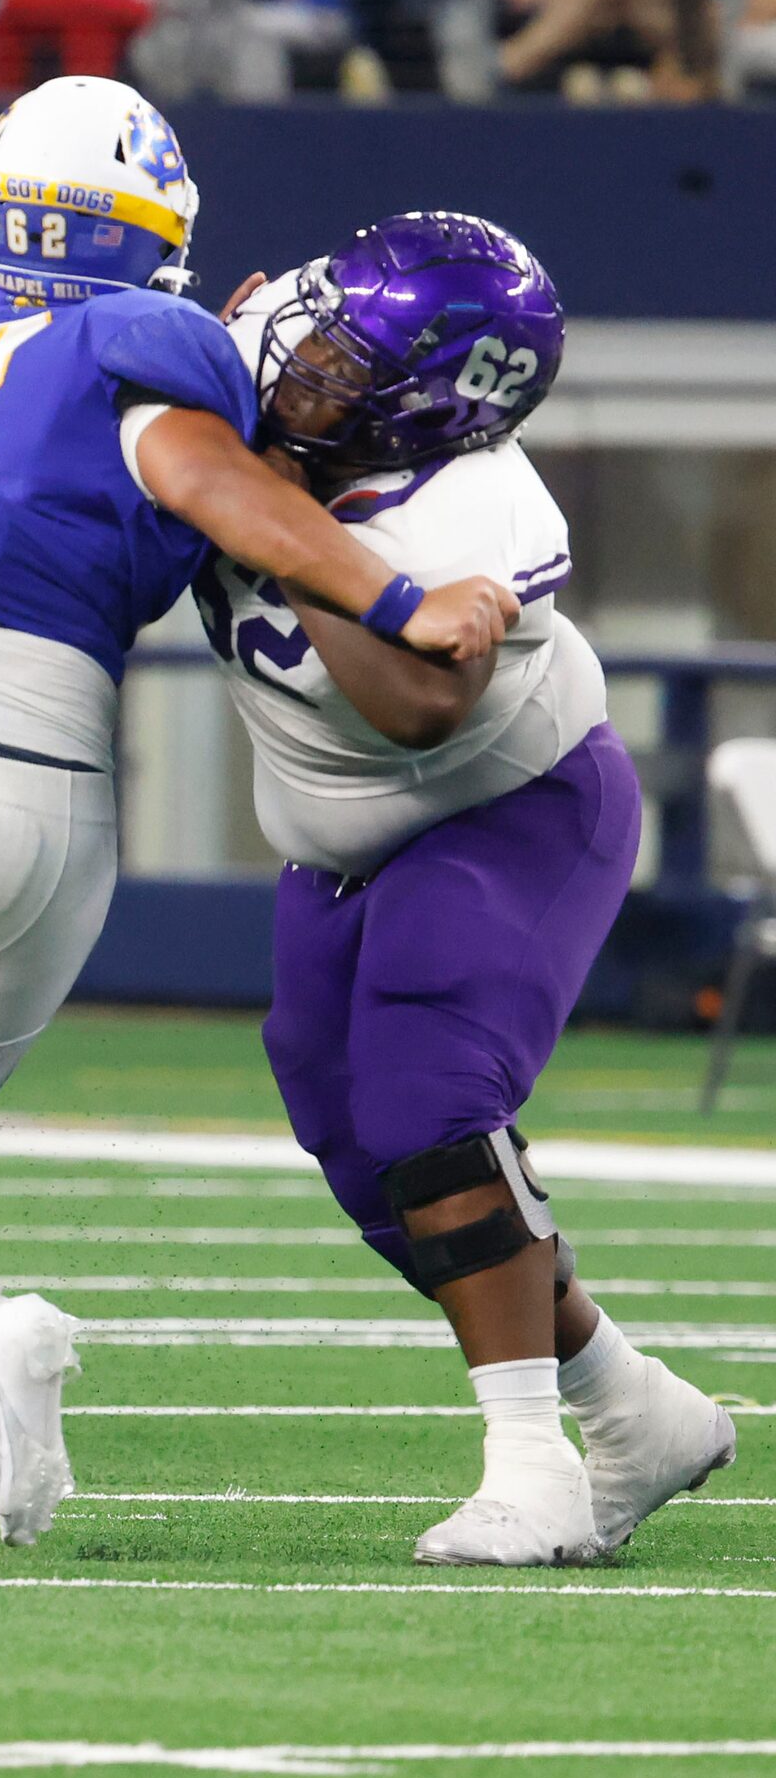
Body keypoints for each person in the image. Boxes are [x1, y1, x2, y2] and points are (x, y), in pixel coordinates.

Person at [0, 76, 520, 1548]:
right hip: (59, 792)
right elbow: (205, 472)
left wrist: (392, 601)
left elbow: (181, 467)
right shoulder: (156, 340)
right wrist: (375, 564)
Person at [198, 214, 733, 1564]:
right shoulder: (233, 381)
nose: (303, 365)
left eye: (345, 362)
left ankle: (529, 1467)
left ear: (431, 404)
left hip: (512, 812)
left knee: (432, 1105)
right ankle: (631, 1406)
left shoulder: (479, 505)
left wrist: (283, 529)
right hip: (335, 849)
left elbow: (417, 706)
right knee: (359, 1142)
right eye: (316, 328)